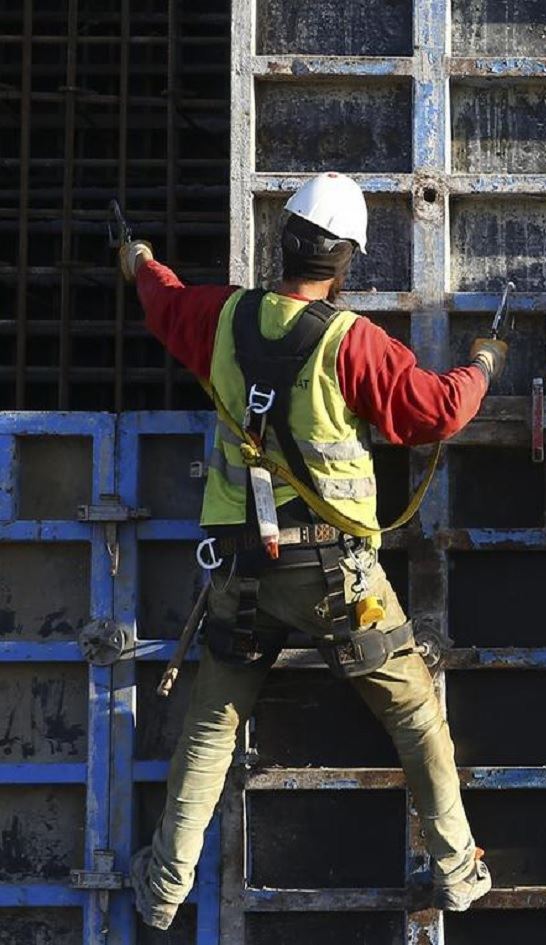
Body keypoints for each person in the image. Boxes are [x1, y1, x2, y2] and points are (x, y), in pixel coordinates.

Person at [118, 172, 508, 928]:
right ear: (345, 259)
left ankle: (163, 888)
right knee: (415, 715)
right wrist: (484, 362)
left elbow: (163, 300)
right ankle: (458, 870)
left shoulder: (221, 316)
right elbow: (435, 411)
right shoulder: (350, 341)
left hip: (240, 572)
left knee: (211, 727)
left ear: (284, 242)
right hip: (336, 578)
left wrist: (139, 259)